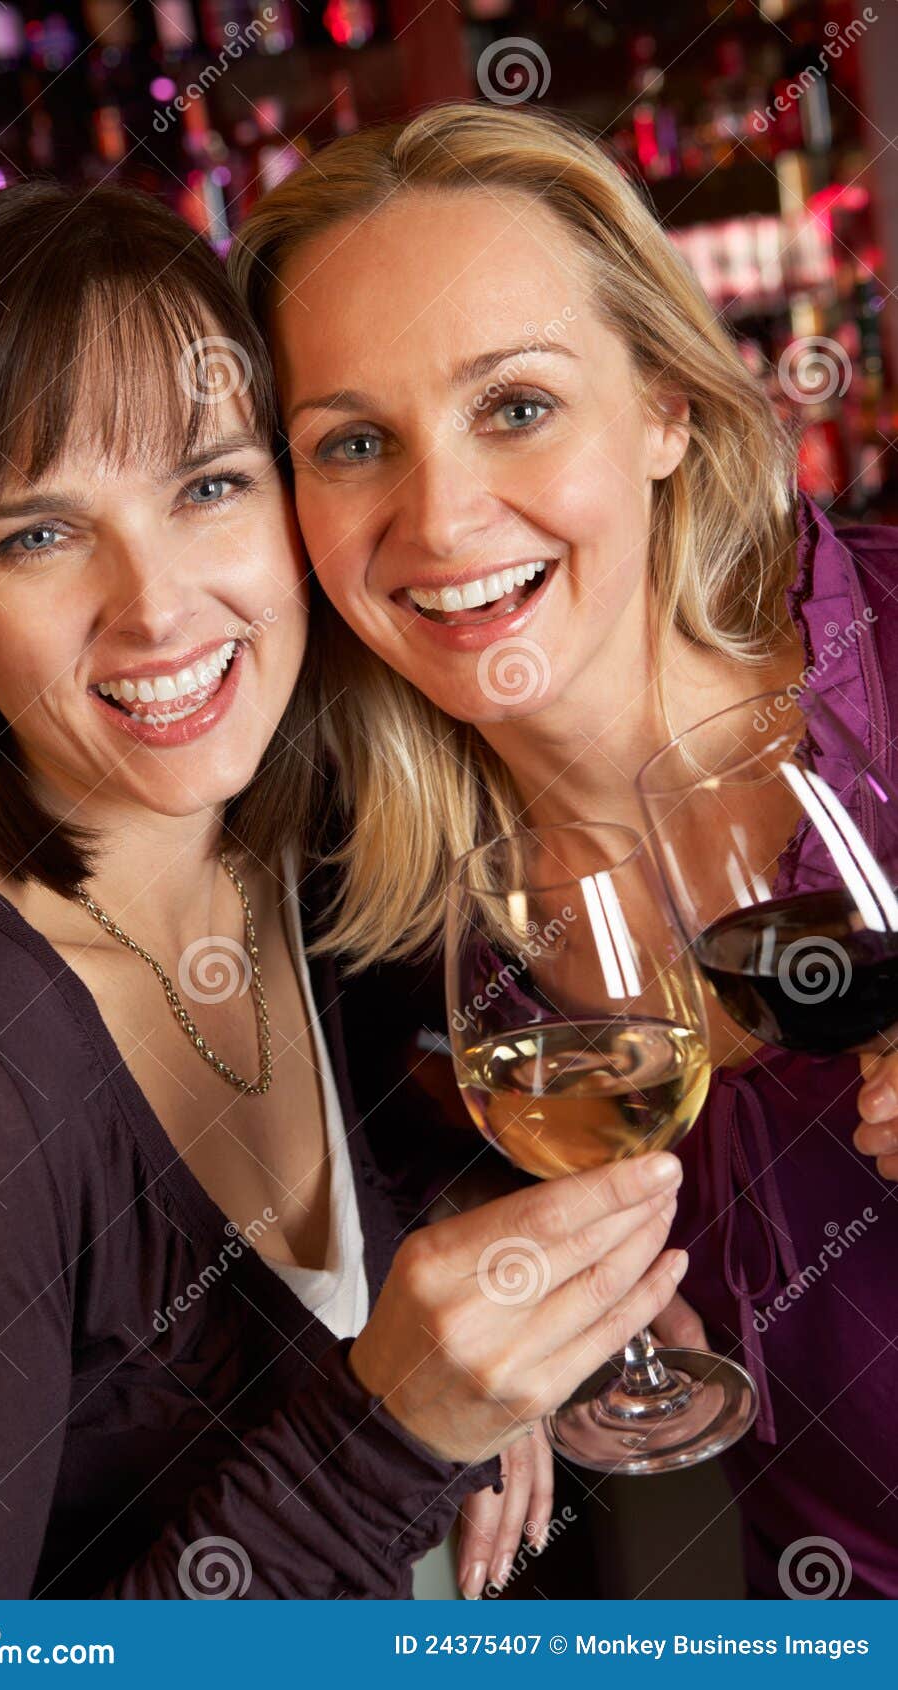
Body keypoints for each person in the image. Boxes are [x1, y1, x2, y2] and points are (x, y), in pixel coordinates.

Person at [0, 179, 688, 1600]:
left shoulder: (306, 844)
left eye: (211, 485)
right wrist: (395, 1431)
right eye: (37, 535)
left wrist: (488, 1304)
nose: (158, 607)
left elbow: (412, 1145)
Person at [232, 101, 898, 1598]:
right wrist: (507, 1300)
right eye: (354, 443)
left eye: (515, 406)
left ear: (667, 403)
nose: (446, 515)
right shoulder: (372, 922)